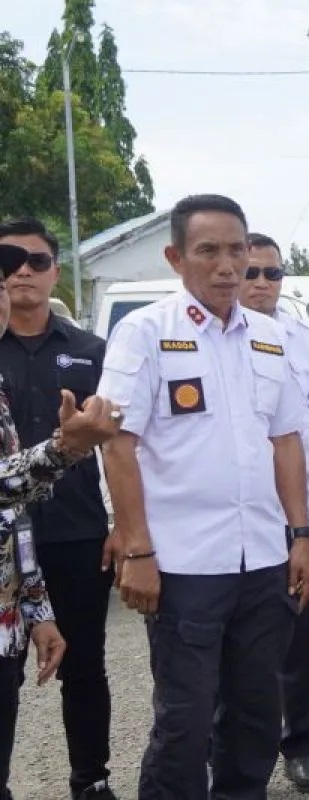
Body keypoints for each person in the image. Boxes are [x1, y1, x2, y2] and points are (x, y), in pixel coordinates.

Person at [97, 194, 309, 800]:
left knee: (254, 718)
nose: (228, 266)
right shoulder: (143, 333)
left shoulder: (269, 338)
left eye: (237, 250)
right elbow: (117, 444)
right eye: (209, 251)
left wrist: (300, 535)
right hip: (185, 565)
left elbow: (288, 443)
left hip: (262, 564)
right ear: (176, 257)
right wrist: (137, 549)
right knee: (185, 723)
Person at [0, 219, 115, 799]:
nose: (22, 269)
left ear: (55, 272)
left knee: (85, 667)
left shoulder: (90, 351)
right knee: (4, 671)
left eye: (37, 260)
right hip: (2, 547)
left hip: (75, 534)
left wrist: (129, 530)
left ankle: (90, 778)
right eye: (9, 259)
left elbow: (123, 447)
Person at [238, 233, 309, 792]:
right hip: (234, 515)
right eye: (251, 272)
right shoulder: (209, 337)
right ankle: (225, 748)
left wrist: (289, 451)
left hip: (297, 511)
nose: (259, 284)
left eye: (271, 274)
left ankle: (299, 743)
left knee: (298, 637)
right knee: (233, 637)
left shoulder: (304, 339)